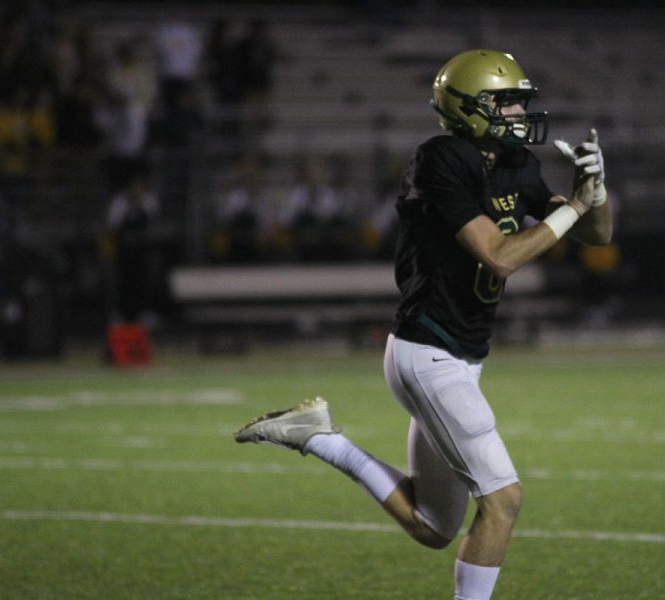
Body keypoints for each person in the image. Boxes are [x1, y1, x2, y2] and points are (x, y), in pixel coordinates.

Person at [234, 49, 613, 600]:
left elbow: (595, 235)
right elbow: (501, 256)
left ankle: (318, 436)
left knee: (433, 527)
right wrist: (572, 208)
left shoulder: (515, 164)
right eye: (506, 102)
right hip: (427, 351)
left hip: (463, 357)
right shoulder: (442, 159)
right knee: (504, 500)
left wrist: (594, 195)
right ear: (470, 107)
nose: (517, 113)